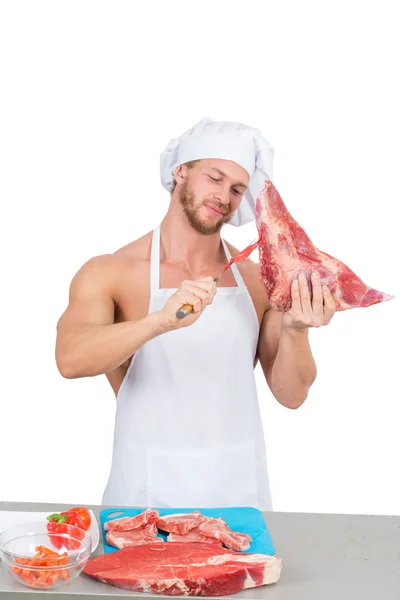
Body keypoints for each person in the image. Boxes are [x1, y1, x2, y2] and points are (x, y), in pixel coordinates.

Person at [55, 117, 336, 510]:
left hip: (238, 489)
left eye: (237, 189)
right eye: (215, 177)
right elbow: (70, 359)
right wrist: (160, 321)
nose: (224, 195)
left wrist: (296, 330)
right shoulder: (111, 272)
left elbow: (292, 395)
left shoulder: (258, 282)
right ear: (181, 171)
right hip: (144, 489)